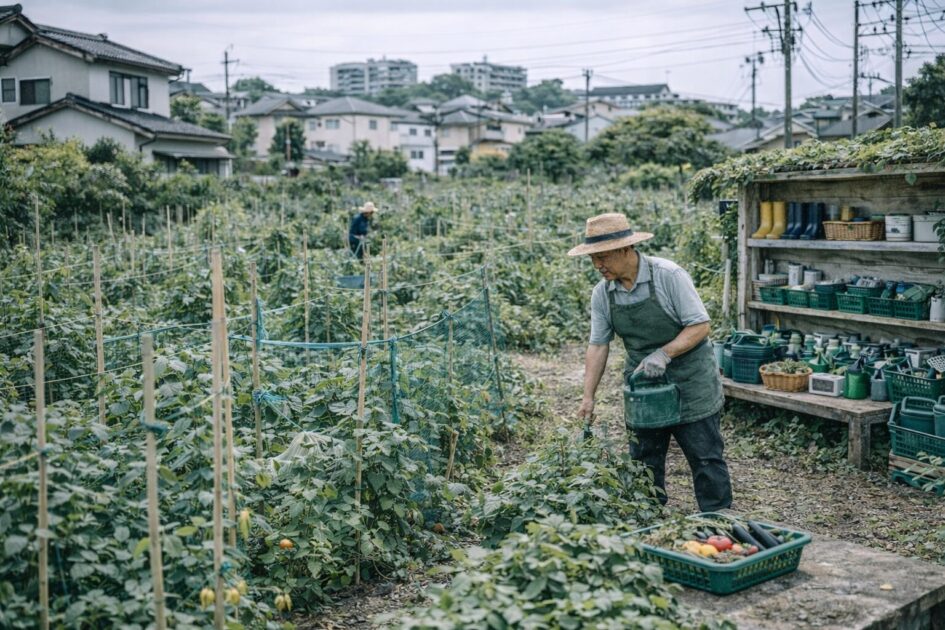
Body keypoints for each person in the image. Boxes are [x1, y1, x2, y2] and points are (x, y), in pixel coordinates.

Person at [569, 212, 732, 512]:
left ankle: (717, 522)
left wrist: (665, 353)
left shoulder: (669, 276)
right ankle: (650, 523)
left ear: (626, 249)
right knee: (644, 460)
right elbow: (598, 345)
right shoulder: (603, 294)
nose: (597, 265)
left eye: (602, 256)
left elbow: (699, 325)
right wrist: (588, 396)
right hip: (643, 384)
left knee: (705, 456)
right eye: (592, 258)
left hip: (690, 381)